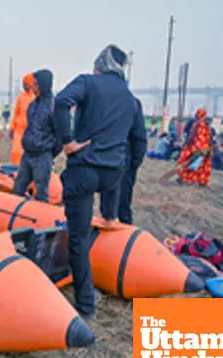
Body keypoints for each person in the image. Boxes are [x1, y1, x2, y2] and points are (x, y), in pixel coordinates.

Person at [54, 44, 143, 319]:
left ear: (99, 65)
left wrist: (67, 140)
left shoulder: (88, 83)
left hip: (85, 169)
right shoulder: (131, 99)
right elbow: (139, 142)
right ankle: (110, 217)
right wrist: (126, 169)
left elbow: (61, 102)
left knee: (78, 239)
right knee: (109, 220)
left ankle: (86, 306)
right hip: (113, 174)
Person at [12, 70, 56, 202]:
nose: (33, 88)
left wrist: (49, 152)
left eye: (36, 85)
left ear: (43, 85)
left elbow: (60, 133)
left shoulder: (54, 106)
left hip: (42, 155)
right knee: (17, 189)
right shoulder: (33, 105)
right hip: (28, 153)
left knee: (41, 192)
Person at [117, 98, 147, 224]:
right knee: (122, 206)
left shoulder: (99, 98)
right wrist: (135, 162)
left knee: (114, 207)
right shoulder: (132, 102)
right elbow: (139, 136)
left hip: (107, 161)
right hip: (124, 162)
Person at [176, 108, 213, 186]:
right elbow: (210, 138)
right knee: (202, 164)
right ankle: (202, 181)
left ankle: (182, 178)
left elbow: (192, 136)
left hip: (195, 147)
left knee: (185, 160)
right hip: (205, 148)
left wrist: (186, 144)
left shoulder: (196, 124)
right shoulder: (207, 125)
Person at [9, 73, 36, 165]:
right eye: (23, 84)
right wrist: (12, 128)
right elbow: (16, 113)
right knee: (15, 152)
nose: (24, 86)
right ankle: (15, 168)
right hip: (20, 129)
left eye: (26, 84)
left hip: (32, 130)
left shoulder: (36, 97)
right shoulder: (21, 97)